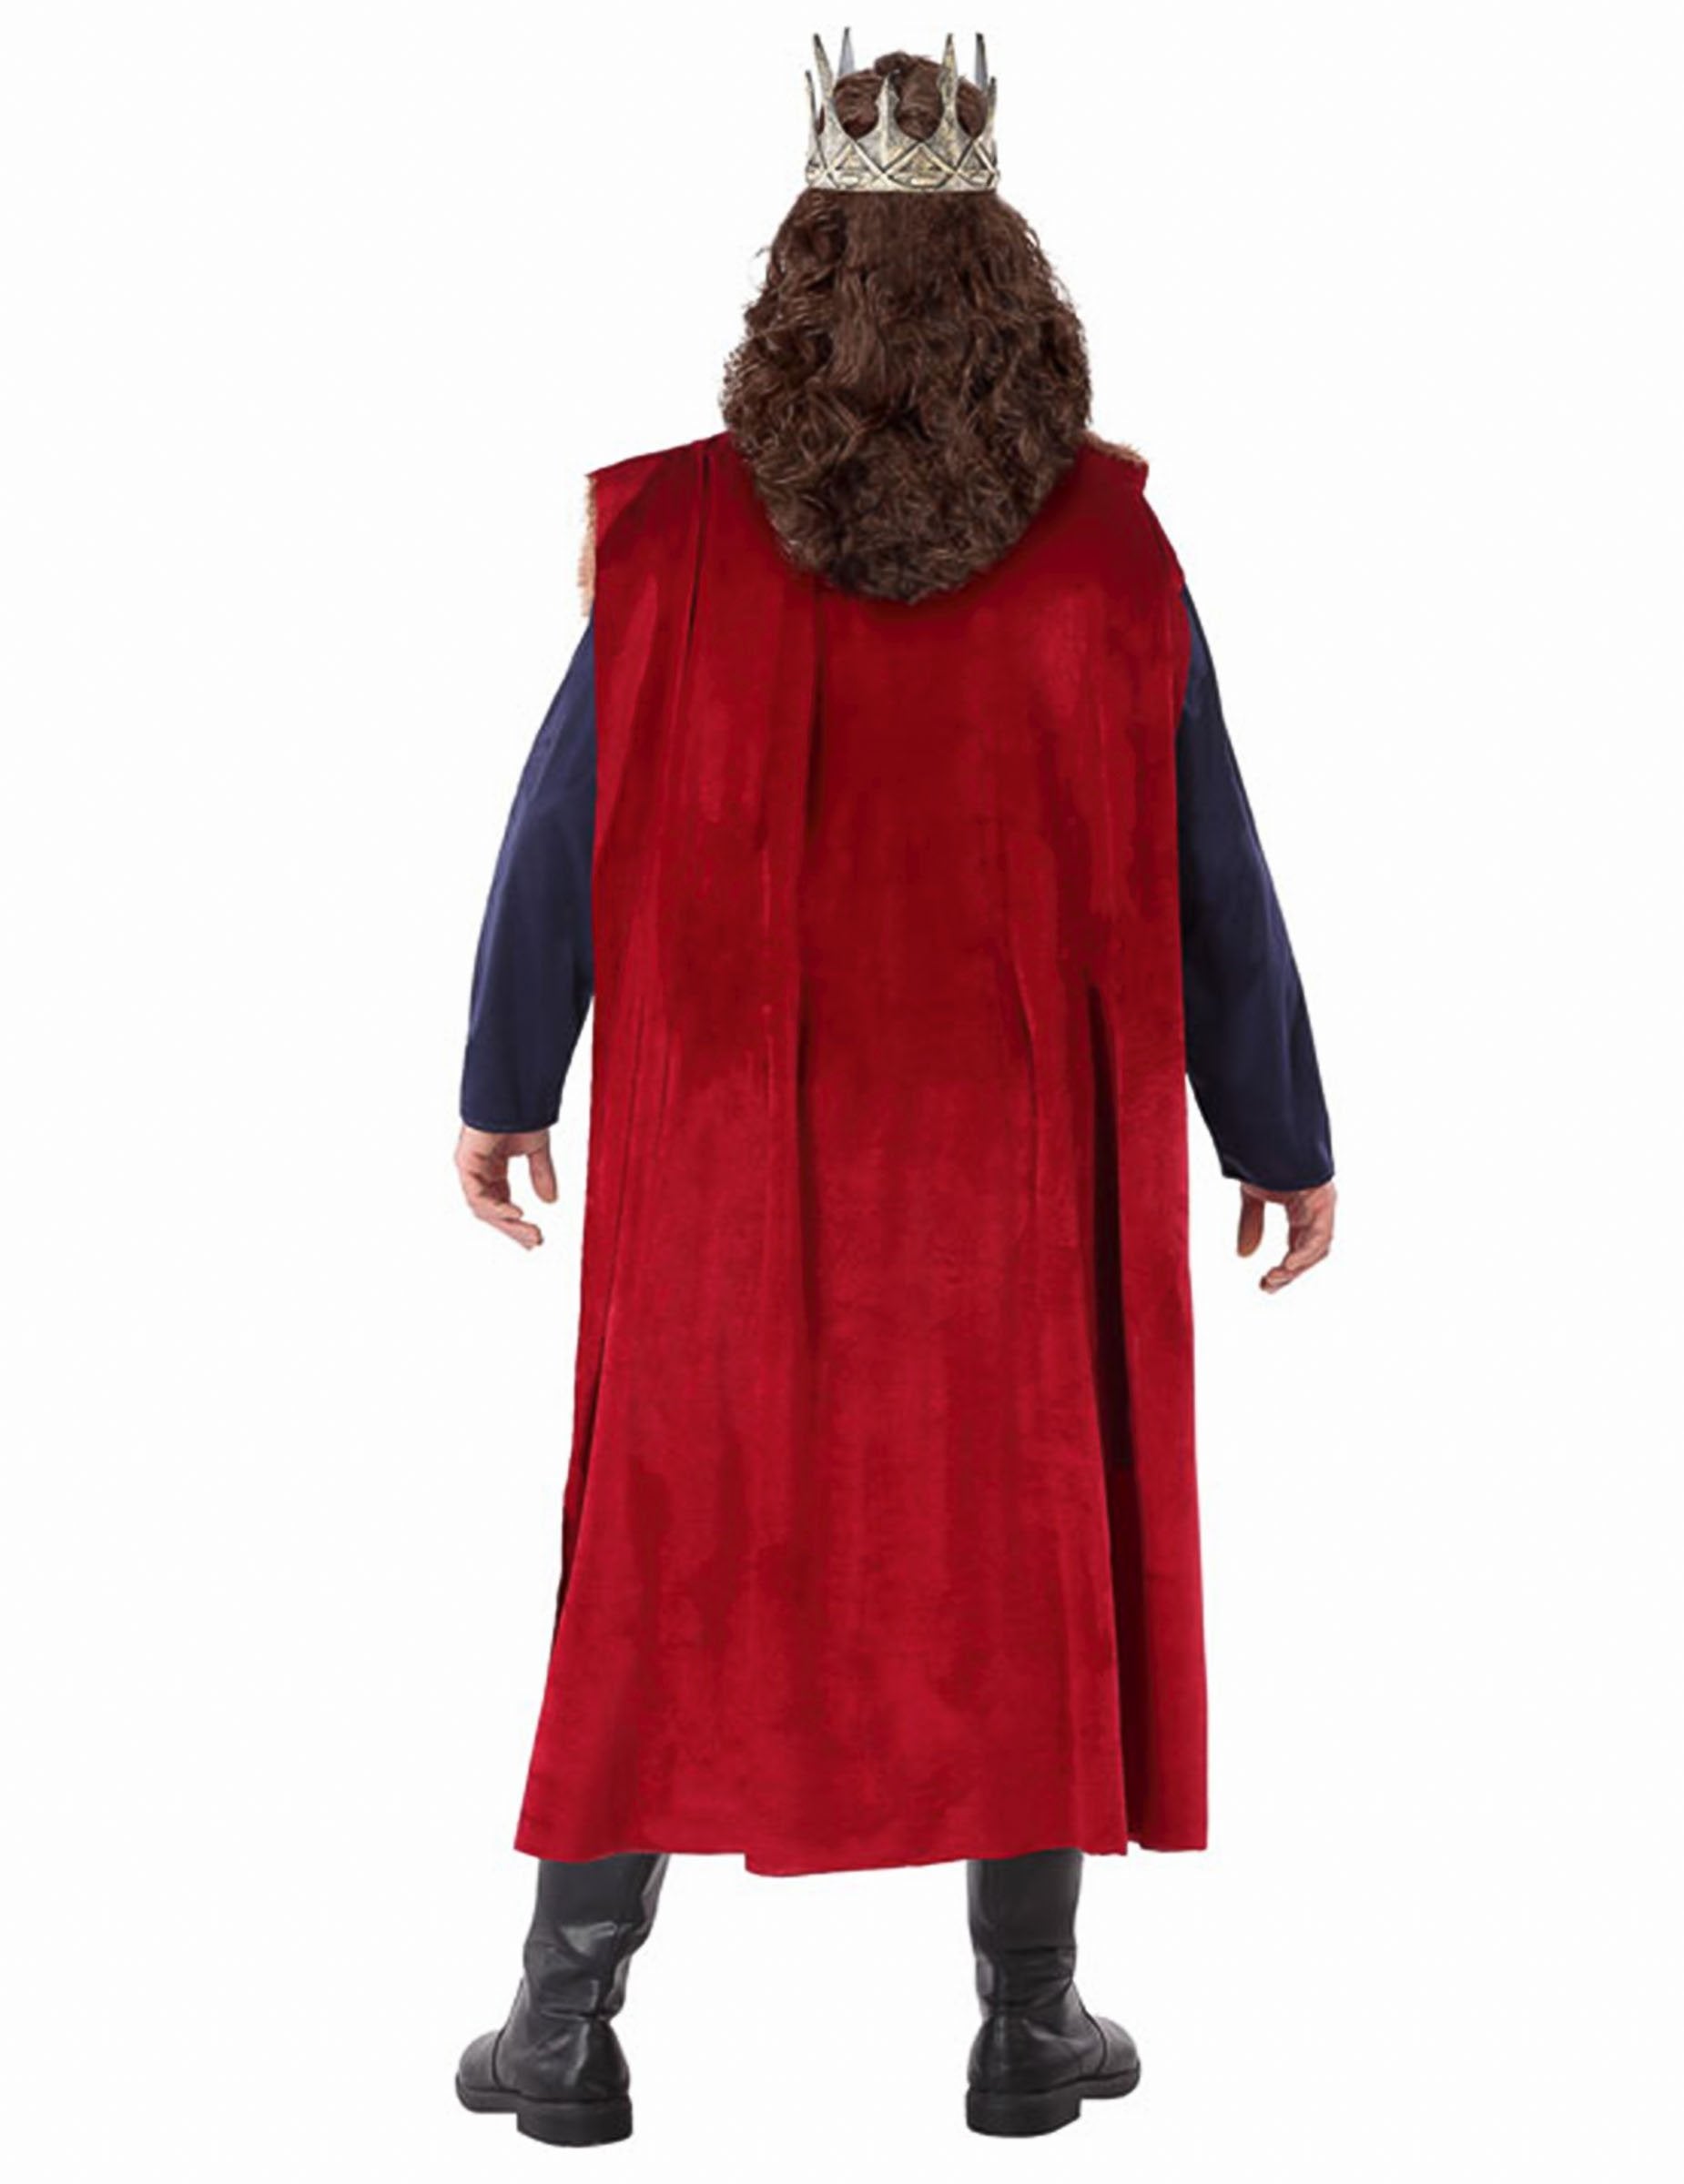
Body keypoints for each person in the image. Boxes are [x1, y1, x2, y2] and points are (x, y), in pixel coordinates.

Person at [451, 33, 1336, 2147]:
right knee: (1013, 1541)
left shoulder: (670, 531)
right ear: (1009, 274)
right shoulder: (1109, 545)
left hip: (724, 1152)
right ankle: (1027, 2030)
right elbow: (1211, 856)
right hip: (1011, 1160)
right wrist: (1278, 1131)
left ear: (800, 273)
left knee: (667, 1538)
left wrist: (503, 1080)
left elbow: (562, 822)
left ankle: (564, 2032)